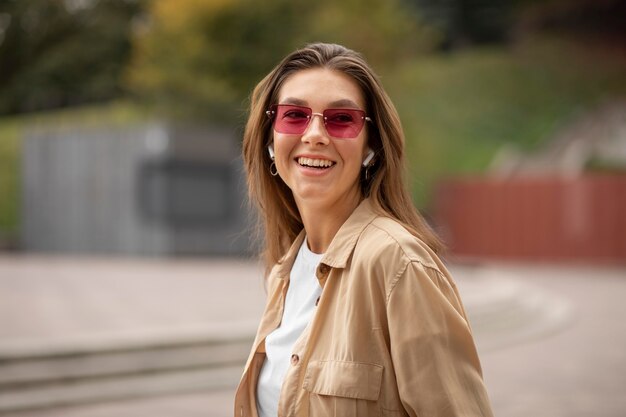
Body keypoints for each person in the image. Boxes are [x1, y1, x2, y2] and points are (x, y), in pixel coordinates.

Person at [235, 42, 493, 417]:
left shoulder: (398, 263)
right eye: (294, 115)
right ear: (270, 140)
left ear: (371, 146)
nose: (315, 134)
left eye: (341, 119)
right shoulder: (284, 273)